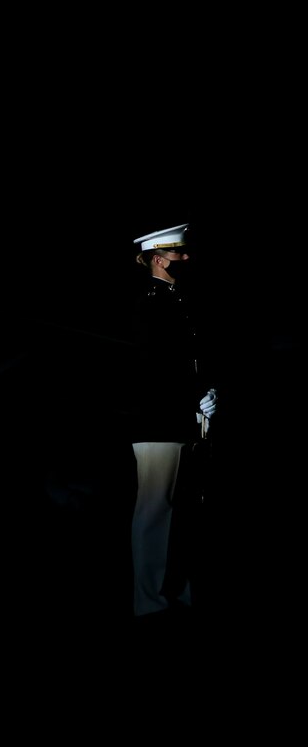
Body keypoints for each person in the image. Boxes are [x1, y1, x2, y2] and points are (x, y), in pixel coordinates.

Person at [127, 223, 220, 623]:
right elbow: (158, 367)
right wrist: (194, 393)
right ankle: (148, 598)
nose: (186, 259)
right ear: (160, 258)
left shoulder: (175, 299)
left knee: (181, 509)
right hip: (159, 416)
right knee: (154, 509)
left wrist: (206, 393)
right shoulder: (151, 301)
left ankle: (173, 589)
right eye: (179, 254)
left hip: (181, 416)